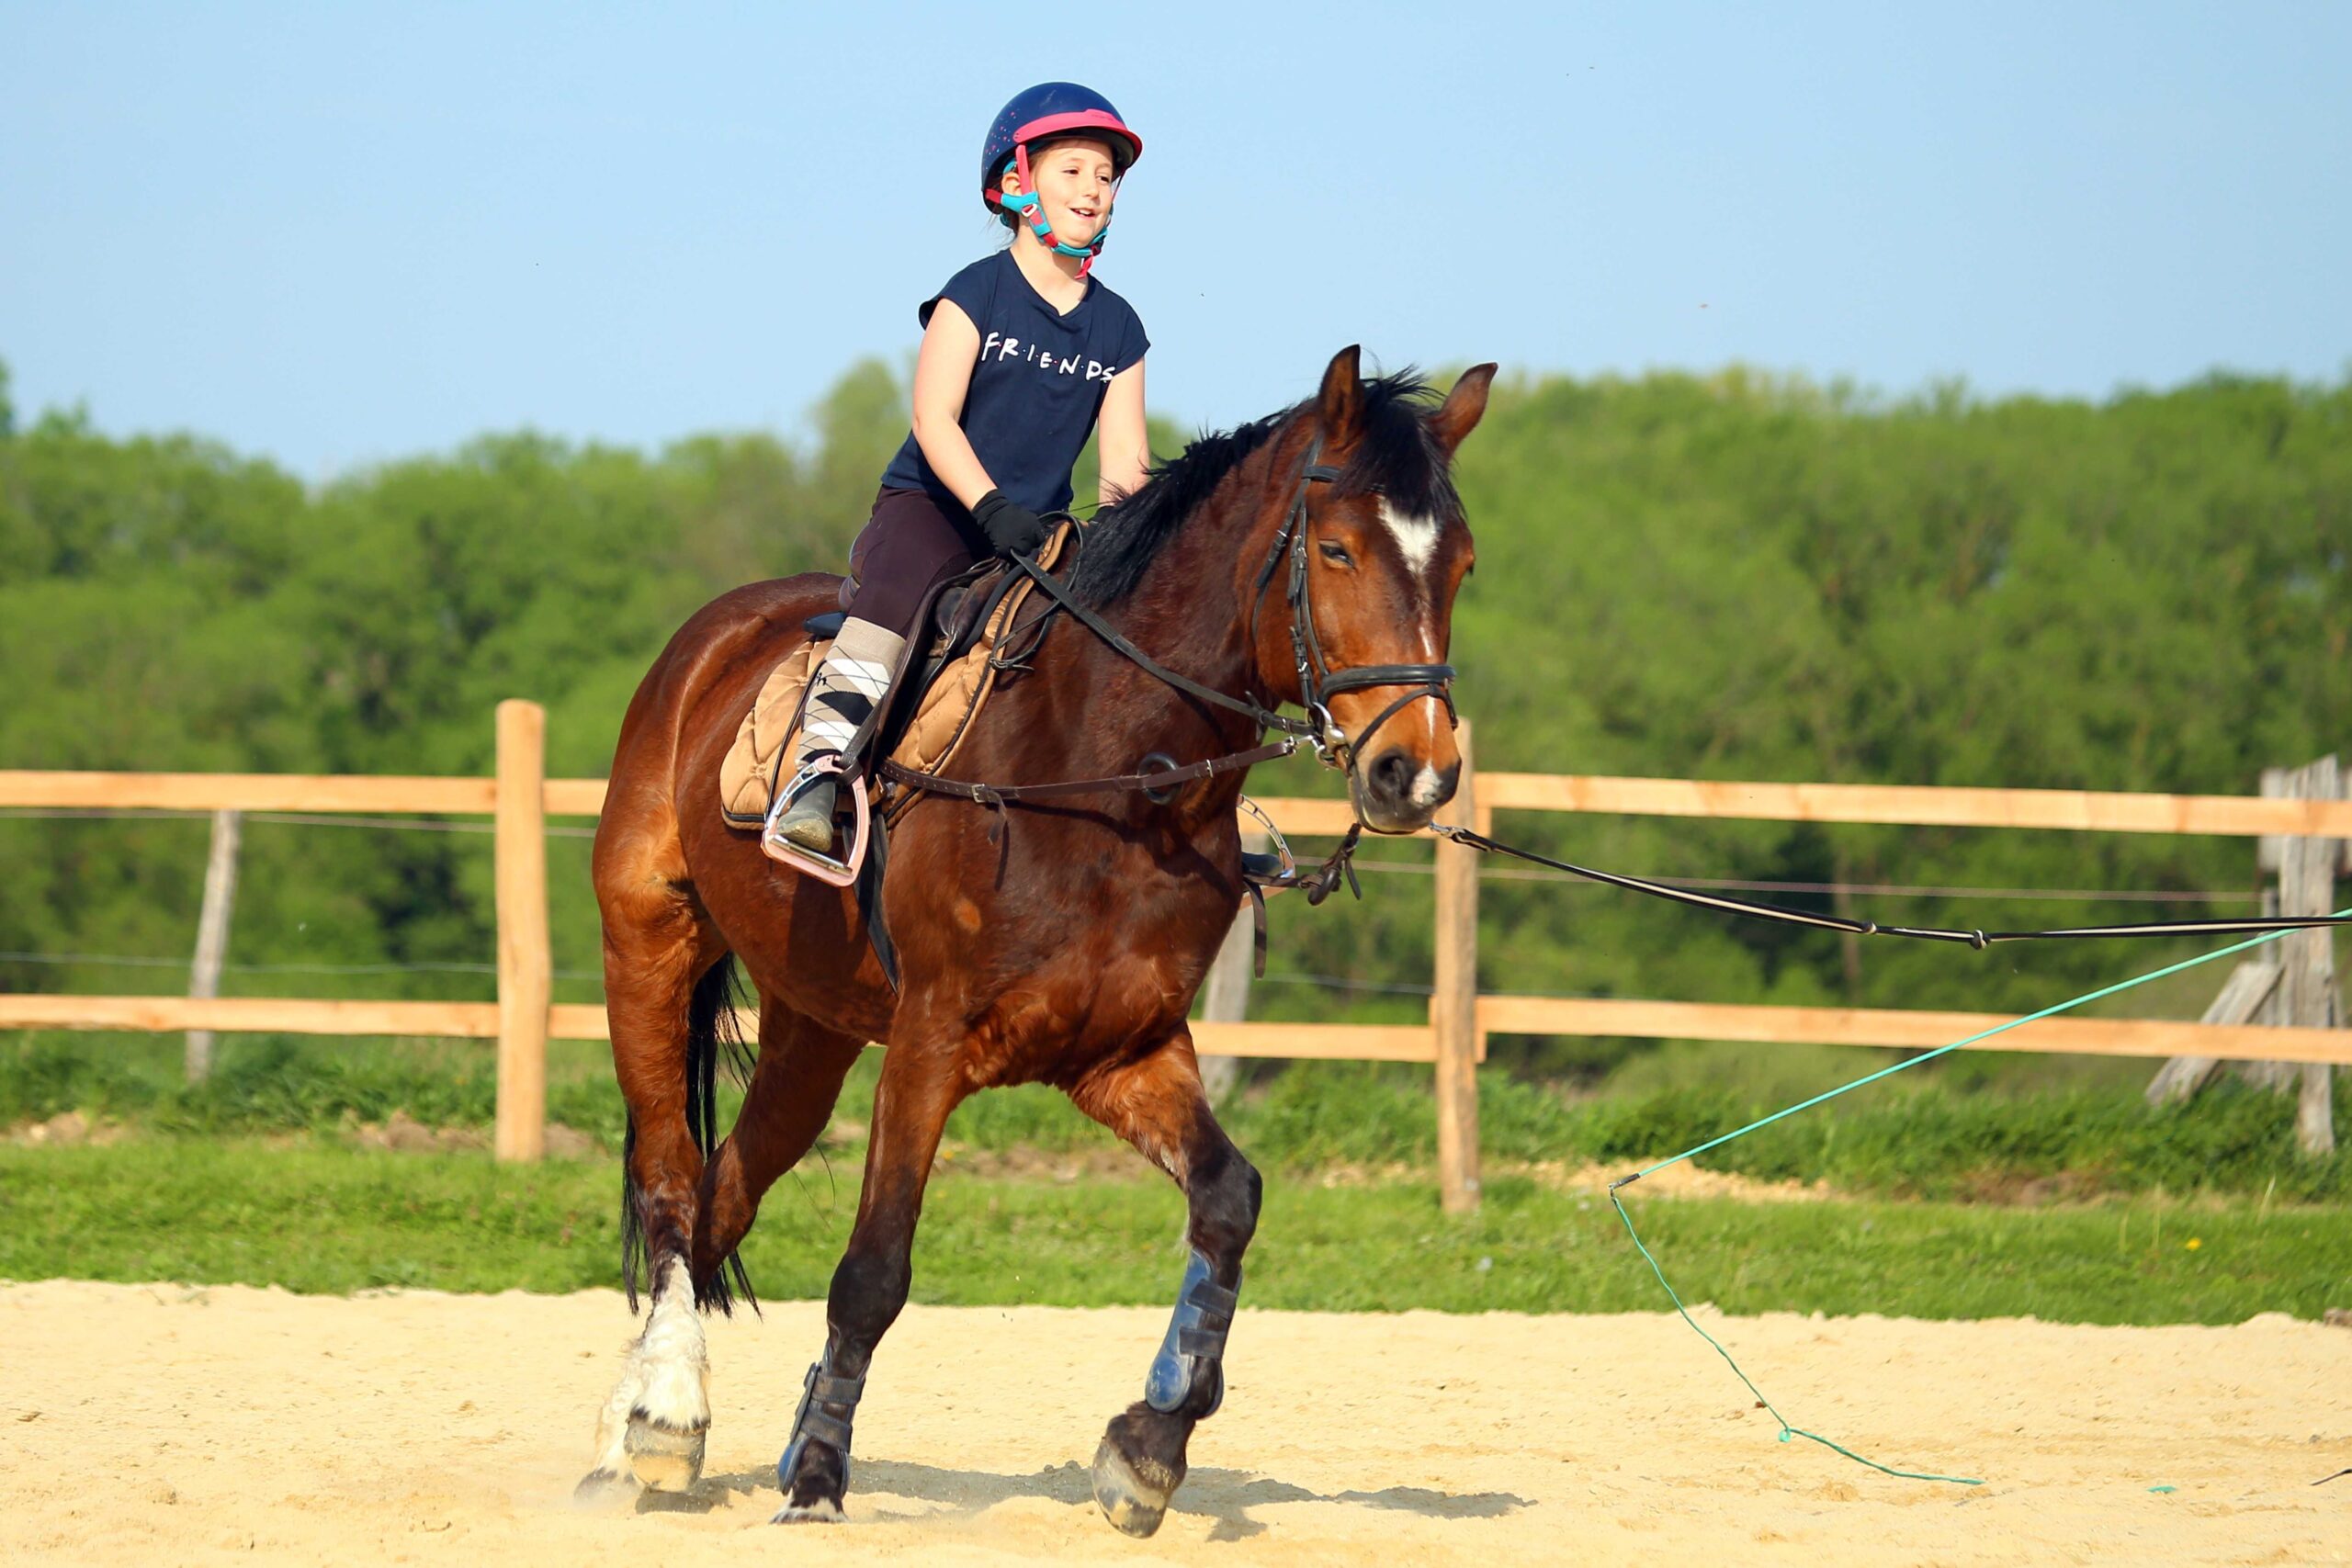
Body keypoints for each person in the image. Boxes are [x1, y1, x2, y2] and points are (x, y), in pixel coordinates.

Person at [773, 82, 1151, 855]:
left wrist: (1132, 558)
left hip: (1039, 535)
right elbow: (933, 419)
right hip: (936, 507)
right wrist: (988, 506)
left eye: (1106, 176)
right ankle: (818, 771)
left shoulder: (1121, 327)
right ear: (1018, 184)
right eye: (1074, 169)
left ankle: (1184, 795)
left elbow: (1124, 472)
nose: (1094, 188)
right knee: (895, 593)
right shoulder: (973, 291)